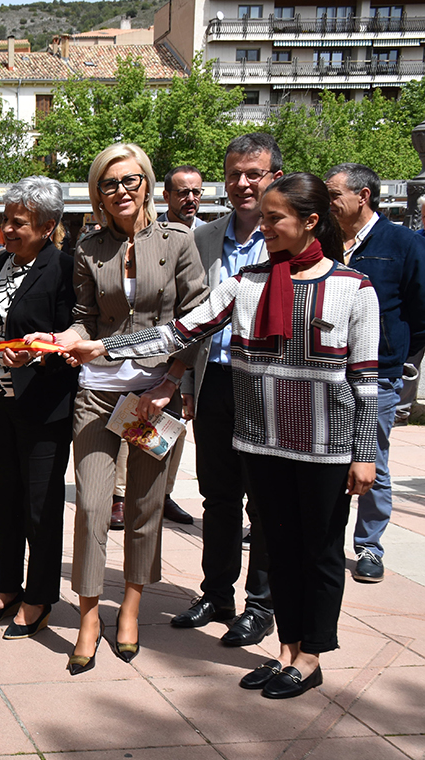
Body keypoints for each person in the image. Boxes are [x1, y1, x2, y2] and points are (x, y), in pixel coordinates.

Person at [59, 173, 378, 699]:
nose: (264, 226)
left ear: (311, 222)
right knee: (277, 546)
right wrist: (105, 349)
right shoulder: (244, 284)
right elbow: (176, 332)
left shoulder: (352, 288)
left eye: (275, 218)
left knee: (317, 551)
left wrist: (364, 454)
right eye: (264, 217)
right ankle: (285, 653)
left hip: (325, 447)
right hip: (260, 443)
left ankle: (311, 655)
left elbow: (365, 381)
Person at [43, 143, 208, 674]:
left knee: (144, 506)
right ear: (98, 193)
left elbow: (197, 319)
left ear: (147, 184)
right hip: (97, 391)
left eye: (130, 180)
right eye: (109, 183)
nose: (120, 191)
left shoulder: (178, 243)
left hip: (154, 395)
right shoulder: (89, 248)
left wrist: (175, 380)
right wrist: (60, 338)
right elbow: (84, 320)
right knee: (93, 505)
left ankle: (131, 607)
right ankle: (89, 614)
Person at [174, 133, 282, 647]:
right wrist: (189, 382)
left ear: (273, 179)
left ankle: (261, 605)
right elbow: (192, 319)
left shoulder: (291, 238)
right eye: (234, 173)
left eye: (253, 174)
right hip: (216, 381)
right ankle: (217, 594)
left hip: (271, 388)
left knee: (263, 502)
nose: (242, 183)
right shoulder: (205, 237)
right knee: (217, 498)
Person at [0, 176, 76, 641]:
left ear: (47, 227)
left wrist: (38, 354)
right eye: (5, 220)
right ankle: (7, 586)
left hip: (43, 405)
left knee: (40, 505)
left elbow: (72, 341)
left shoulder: (65, 269)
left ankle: (39, 595)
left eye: (19, 223)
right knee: (3, 499)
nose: (6, 230)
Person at [326, 163, 425, 583]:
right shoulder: (324, 241)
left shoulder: (401, 242)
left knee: (373, 462)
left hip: (378, 376)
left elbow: (420, 309)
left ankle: (369, 546)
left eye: (333, 194)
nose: (326, 202)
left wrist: (398, 353)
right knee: (326, 460)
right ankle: (322, 535)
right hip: (325, 371)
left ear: (362, 196)